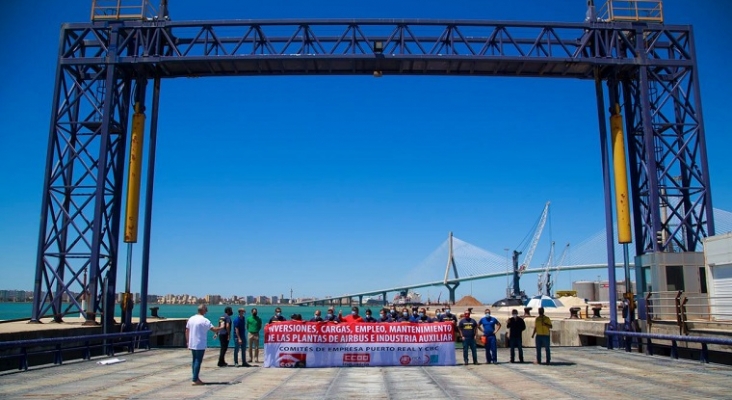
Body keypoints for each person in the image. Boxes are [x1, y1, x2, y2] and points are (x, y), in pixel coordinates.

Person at [185, 304, 222, 385]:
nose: (206, 311)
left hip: (192, 343)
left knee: (194, 360)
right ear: (203, 310)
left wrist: (188, 341)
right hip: (199, 343)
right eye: (206, 309)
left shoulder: (191, 319)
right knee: (198, 361)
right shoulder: (204, 320)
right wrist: (222, 327)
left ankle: (195, 377)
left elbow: (187, 331)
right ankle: (195, 379)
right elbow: (214, 329)